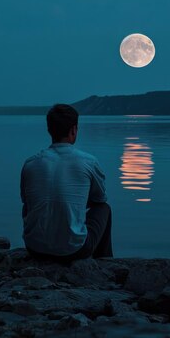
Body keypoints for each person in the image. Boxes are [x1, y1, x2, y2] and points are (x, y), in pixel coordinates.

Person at [20, 104, 113, 261]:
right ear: (74, 130)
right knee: (104, 208)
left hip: (35, 249)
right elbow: (99, 199)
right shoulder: (88, 161)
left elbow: (26, 202)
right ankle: (105, 263)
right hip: (74, 251)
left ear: (49, 130)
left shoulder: (31, 163)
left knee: (29, 205)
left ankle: (42, 239)